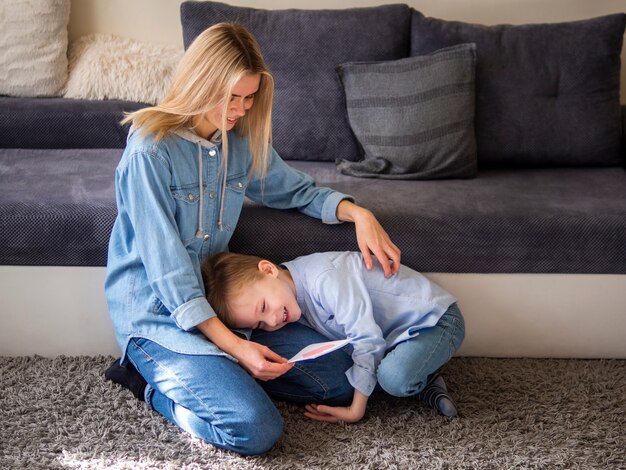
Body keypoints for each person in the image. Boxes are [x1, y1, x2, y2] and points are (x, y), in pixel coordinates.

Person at [103, 22, 401, 456]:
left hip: (223, 304)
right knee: (254, 429)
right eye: (231, 98)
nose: (240, 110)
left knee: (341, 380)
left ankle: (222, 376)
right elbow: (168, 272)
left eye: (249, 98)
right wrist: (238, 348)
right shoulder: (150, 151)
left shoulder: (235, 143)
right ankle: (147, 382)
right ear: (200, 84)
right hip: (160, 317)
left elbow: (296, 190)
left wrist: (358, 213)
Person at [201, 251, 466, 424]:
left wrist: (356, 411)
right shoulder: (290, 301)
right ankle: (419, 377)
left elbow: (367, 339)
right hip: (393, 338)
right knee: (380, 372)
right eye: (260, 322)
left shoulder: (323, 278)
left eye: (263, 307)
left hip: (434, 319)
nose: (271, 321)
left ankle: (421, 379)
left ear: (268, 269)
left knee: (393, 378)